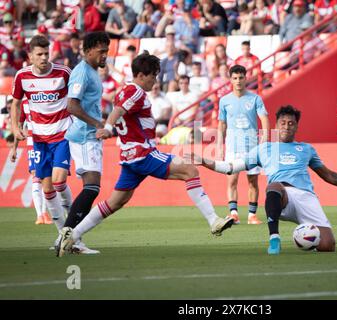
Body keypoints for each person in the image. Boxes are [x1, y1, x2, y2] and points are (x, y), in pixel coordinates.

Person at [57, 53, 234, 256]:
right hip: (143, 153)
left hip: (129, 157)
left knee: (115, 202)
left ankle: (71, 235)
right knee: (190, 170)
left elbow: (120, 110)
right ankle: (214, 220)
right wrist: (107, 127)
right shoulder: (136, 92)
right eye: (153, 76)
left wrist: (111, 128)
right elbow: (118, 112)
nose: (155, 80)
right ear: (141, 75)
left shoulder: (125, 90)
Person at [192, 105, 337, 254]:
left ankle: (306, 238)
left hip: (305, 198)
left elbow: (328, 175)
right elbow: (230, 167)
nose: (287, 126)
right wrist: (204, 161)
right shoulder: (264, 149)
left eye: (291, 123)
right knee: (274, 185)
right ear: (276, 125)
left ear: (296, 126)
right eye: (283, 123)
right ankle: (274, 239)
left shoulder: (306, 149)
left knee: (328, 246)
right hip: (281, 197)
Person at [10, 35, 73, 248]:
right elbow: (16, 104)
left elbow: (75, 99)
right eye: (39, 54)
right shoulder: (22, 76)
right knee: (47, 189)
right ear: (30, 56)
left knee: (59, 181)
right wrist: (15, 127)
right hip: (38, 140)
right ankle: (64, 236)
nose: (44, 58)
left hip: (62, 135)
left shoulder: (63, 73)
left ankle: (74, 217)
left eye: (47, 53)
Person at [56, 31, 111, 257]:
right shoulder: (81, 73)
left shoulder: (92, 72)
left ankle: (68, 236)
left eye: (106, 51)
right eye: (101, 51)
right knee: (91, 188)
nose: (105, 55)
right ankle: (69, 236)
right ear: (88, 51)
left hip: (90, 136)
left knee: (91, 189)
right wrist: (97, 123)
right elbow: (72, 106)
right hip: (84, 136)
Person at [217, 64, 270, 225]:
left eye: (241, 78)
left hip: (252, 147)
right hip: (233, 147)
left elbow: (264, 119)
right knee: (232, 181)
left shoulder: (255, 99)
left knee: (252, 181)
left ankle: (252, 215)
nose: (238, 81)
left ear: (246, 78)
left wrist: (265, 139)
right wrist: (220, 145)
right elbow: (221, 124)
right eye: (235, 78)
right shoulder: (224, 100)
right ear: (230, 80)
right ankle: (233, 214)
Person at [9, 99, 51, 225]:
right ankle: (40, 215)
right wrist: (14, 148)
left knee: (48, 178)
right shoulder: (24, 104)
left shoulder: (45, 97)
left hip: (49, 140)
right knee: (36, 176)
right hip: (33, 142)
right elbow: (19, 127)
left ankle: (45, 213)